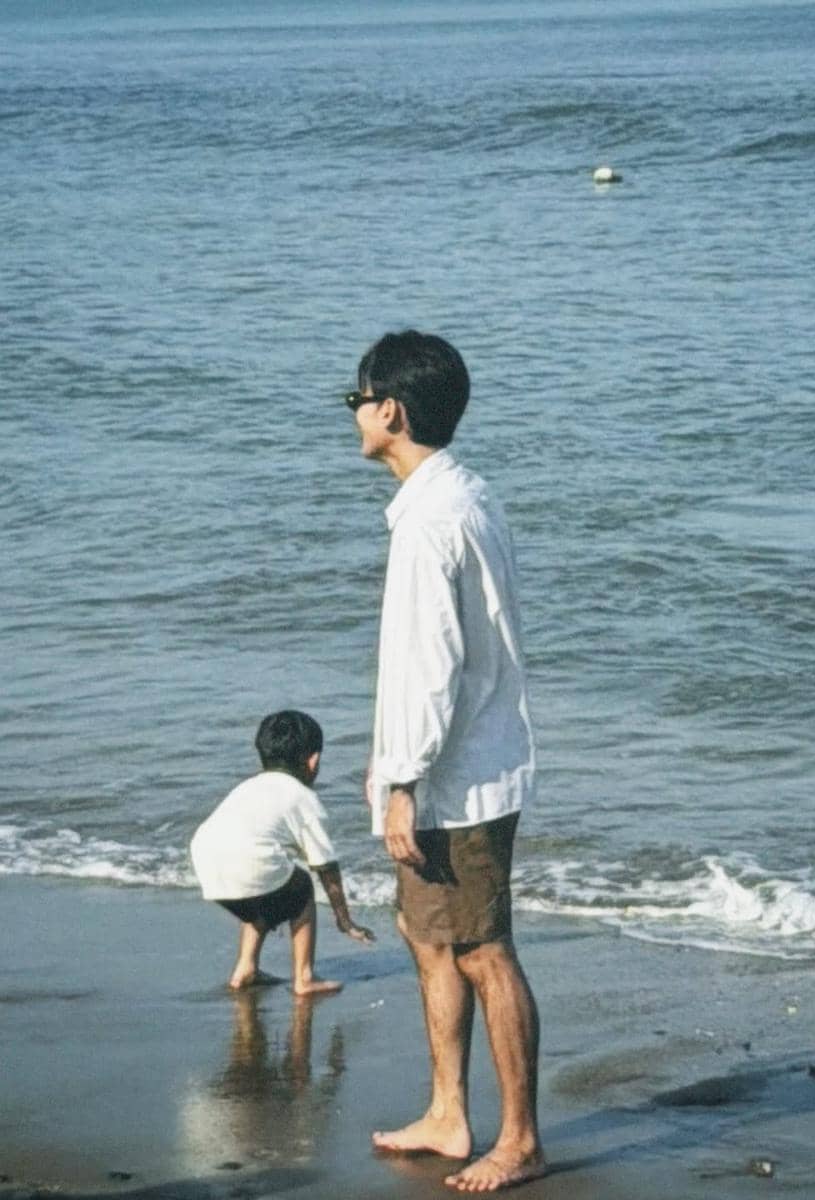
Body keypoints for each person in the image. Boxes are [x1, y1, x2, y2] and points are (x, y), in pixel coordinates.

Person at [346, 331, 545, 1192]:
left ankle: (522, 1138)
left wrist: (401, 784)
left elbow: (433, 668)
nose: (353, 415)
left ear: (390, 410)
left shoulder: (431, 522)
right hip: (469, 761)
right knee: (428, 939)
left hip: (454, 778)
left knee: (481, 948)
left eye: (356, 399)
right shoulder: (466, 494)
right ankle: (448, 1113)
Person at [190, 709, 374, 996]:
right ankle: (304, 978)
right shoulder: (303, 799)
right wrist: (344, 919)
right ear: (313, 761)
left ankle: (245, 967)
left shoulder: (248, 787)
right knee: (299, 888)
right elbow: (325, 865)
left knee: (265, 894)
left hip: (208, 866)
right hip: (249, 865)